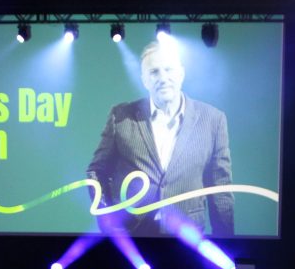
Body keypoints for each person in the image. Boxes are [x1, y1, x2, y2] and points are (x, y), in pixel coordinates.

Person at [87, 39, 234, 237]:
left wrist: (227, 242)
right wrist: (107, 218)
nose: (163, 78)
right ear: (144, 80)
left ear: (181, 73)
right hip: (134, 237)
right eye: (154, 72)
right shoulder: (121, 117)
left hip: (188, 238)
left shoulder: (213, 120)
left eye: (169, 69)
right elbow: (96, 172)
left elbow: (220, 188)